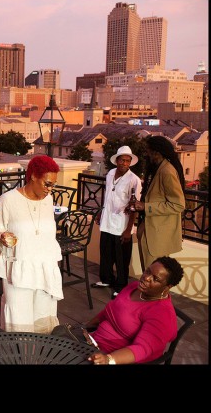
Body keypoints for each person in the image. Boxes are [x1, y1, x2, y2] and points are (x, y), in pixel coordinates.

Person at [54, 256, 184, 365]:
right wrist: (85, 327)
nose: (147, 277)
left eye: (155, 279)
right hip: (94, 342)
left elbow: (143, 349)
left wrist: (109, 359)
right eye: (148, 271)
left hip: (115, 357)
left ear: (167, 287)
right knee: (55, 340)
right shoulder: (135, 287)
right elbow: (109, 311)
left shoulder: (161, 314)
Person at [0, 155, 62, 333]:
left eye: (53, 185)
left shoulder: (48, 200)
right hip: (18, 270)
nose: (50, 190)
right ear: (34, 176)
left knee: (43, 319)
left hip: (45, 269)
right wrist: (2, 236)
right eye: (47, 184)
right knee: (19, 318)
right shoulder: (8, 200)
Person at [92, 146, 142, 299]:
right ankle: (106, 279)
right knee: (106, 252)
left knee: (122, 258)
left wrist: (128, 230)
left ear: (130, 163)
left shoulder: (134, 180)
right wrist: (101, 211)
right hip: (107, 220)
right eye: (122, 160)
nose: (124, 163)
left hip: (122, 224)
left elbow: (134, 206)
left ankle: (120, 286)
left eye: (127, 161)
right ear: (117, 160)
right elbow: (107, 195)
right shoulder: (110, 174)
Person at [132, 136, 186, 272]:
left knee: (154, 274)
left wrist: (146, 206)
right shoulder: (157, 168)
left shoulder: (167, 171)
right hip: (149, 229)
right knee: (148, 272)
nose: (146, 154)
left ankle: (155, 294)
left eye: (148, 151)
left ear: (157, 152)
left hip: (157, 235)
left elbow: (178, 205)